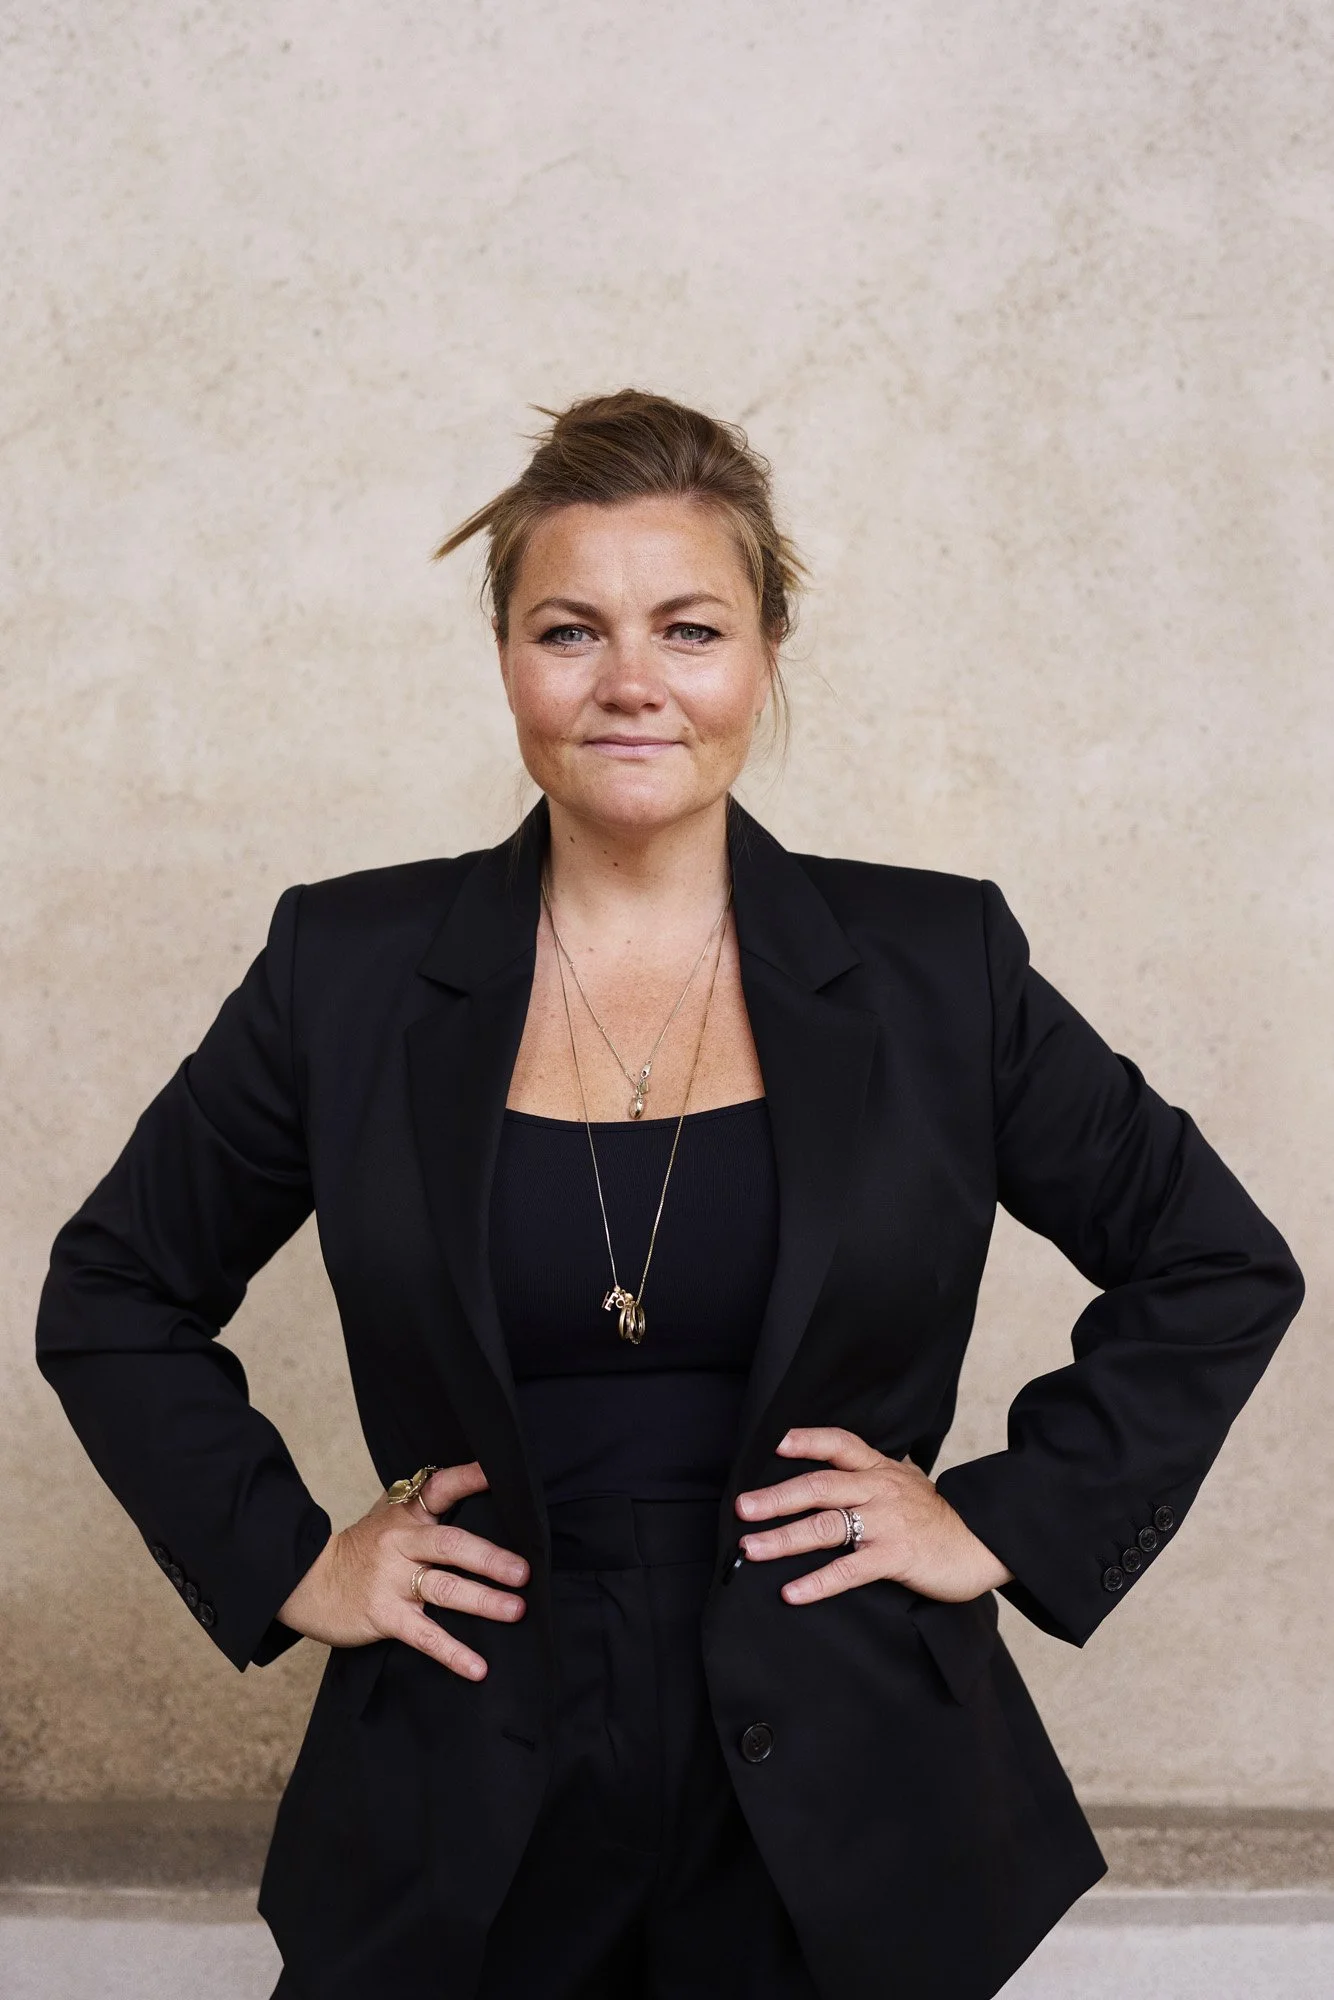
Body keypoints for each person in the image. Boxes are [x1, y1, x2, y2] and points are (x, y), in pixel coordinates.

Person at [35, 389, 1304, 2000]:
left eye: (688, 628)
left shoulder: (936, 966)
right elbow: (114, 1293)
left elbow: (1212, 1261)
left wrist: (994, 1517)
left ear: (764, 653)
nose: (631, 682)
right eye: (569, 630)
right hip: (464, 1766)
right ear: (504, 655)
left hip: (845, 1779)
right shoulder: (341, 971)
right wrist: (288, 1558)